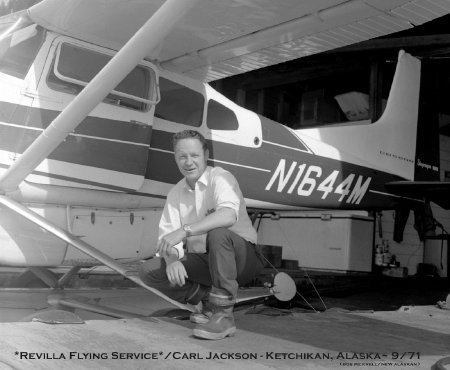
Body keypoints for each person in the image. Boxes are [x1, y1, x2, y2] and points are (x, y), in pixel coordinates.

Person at [139, 129, 264, 340]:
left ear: (206, 155)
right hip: (207, 262)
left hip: (241, 260)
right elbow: (167, 239)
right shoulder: (175, 193)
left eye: (194, 155)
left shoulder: (221, 178)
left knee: (218, 234)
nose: (188, 162)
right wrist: (171, 260)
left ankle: (224, 317)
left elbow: (227, 215)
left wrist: (185, 230)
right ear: (176, 158)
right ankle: (207, 302)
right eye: (182, 156)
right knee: (149, 271)